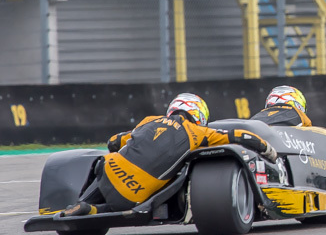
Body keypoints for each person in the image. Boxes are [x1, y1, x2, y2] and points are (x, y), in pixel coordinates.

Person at [61, 93, 278, 217]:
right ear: (199, 115)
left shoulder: (148, 121)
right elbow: (240, 136)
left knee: (105, 163)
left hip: (108, 170)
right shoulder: (199, 132)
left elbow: (114, 142)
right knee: (129, 204)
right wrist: (267, 149)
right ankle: (94, 210)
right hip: (133, 196)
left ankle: (81, 202)